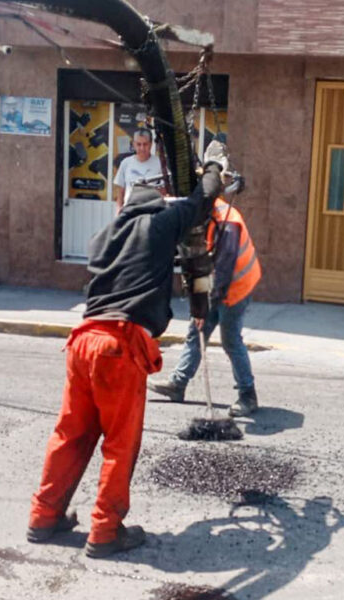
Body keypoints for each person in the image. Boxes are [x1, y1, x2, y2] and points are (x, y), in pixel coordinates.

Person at [28, 144, 227, 559]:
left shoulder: (103, 235)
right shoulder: (158, 224)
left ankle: (44, 517)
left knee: (70, 433)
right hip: (119, 344)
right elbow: (202, 199)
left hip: (82, 340)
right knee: (120, 443)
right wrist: (214, 167)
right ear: (155, 205)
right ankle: (105, 531)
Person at [147, 179, 262, 417]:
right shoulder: (201, 215)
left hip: (236, 288)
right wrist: (198, 308)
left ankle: (248, 395)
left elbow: (222, 273)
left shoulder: (228, 224)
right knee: (195, 332)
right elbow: (197, 262)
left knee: (231, 341)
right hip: (216, 284)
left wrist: (204, 307)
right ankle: (178, 385)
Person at [112, 128, 164, 211]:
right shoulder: (126, 163)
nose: (142, 148)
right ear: (133, 144)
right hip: (130, 211)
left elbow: (164, 192)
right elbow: (120, 194)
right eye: (139, 144)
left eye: (145, 144)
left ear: (151, 144)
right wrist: (118, 214)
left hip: (151, 212)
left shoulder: (160, 164)